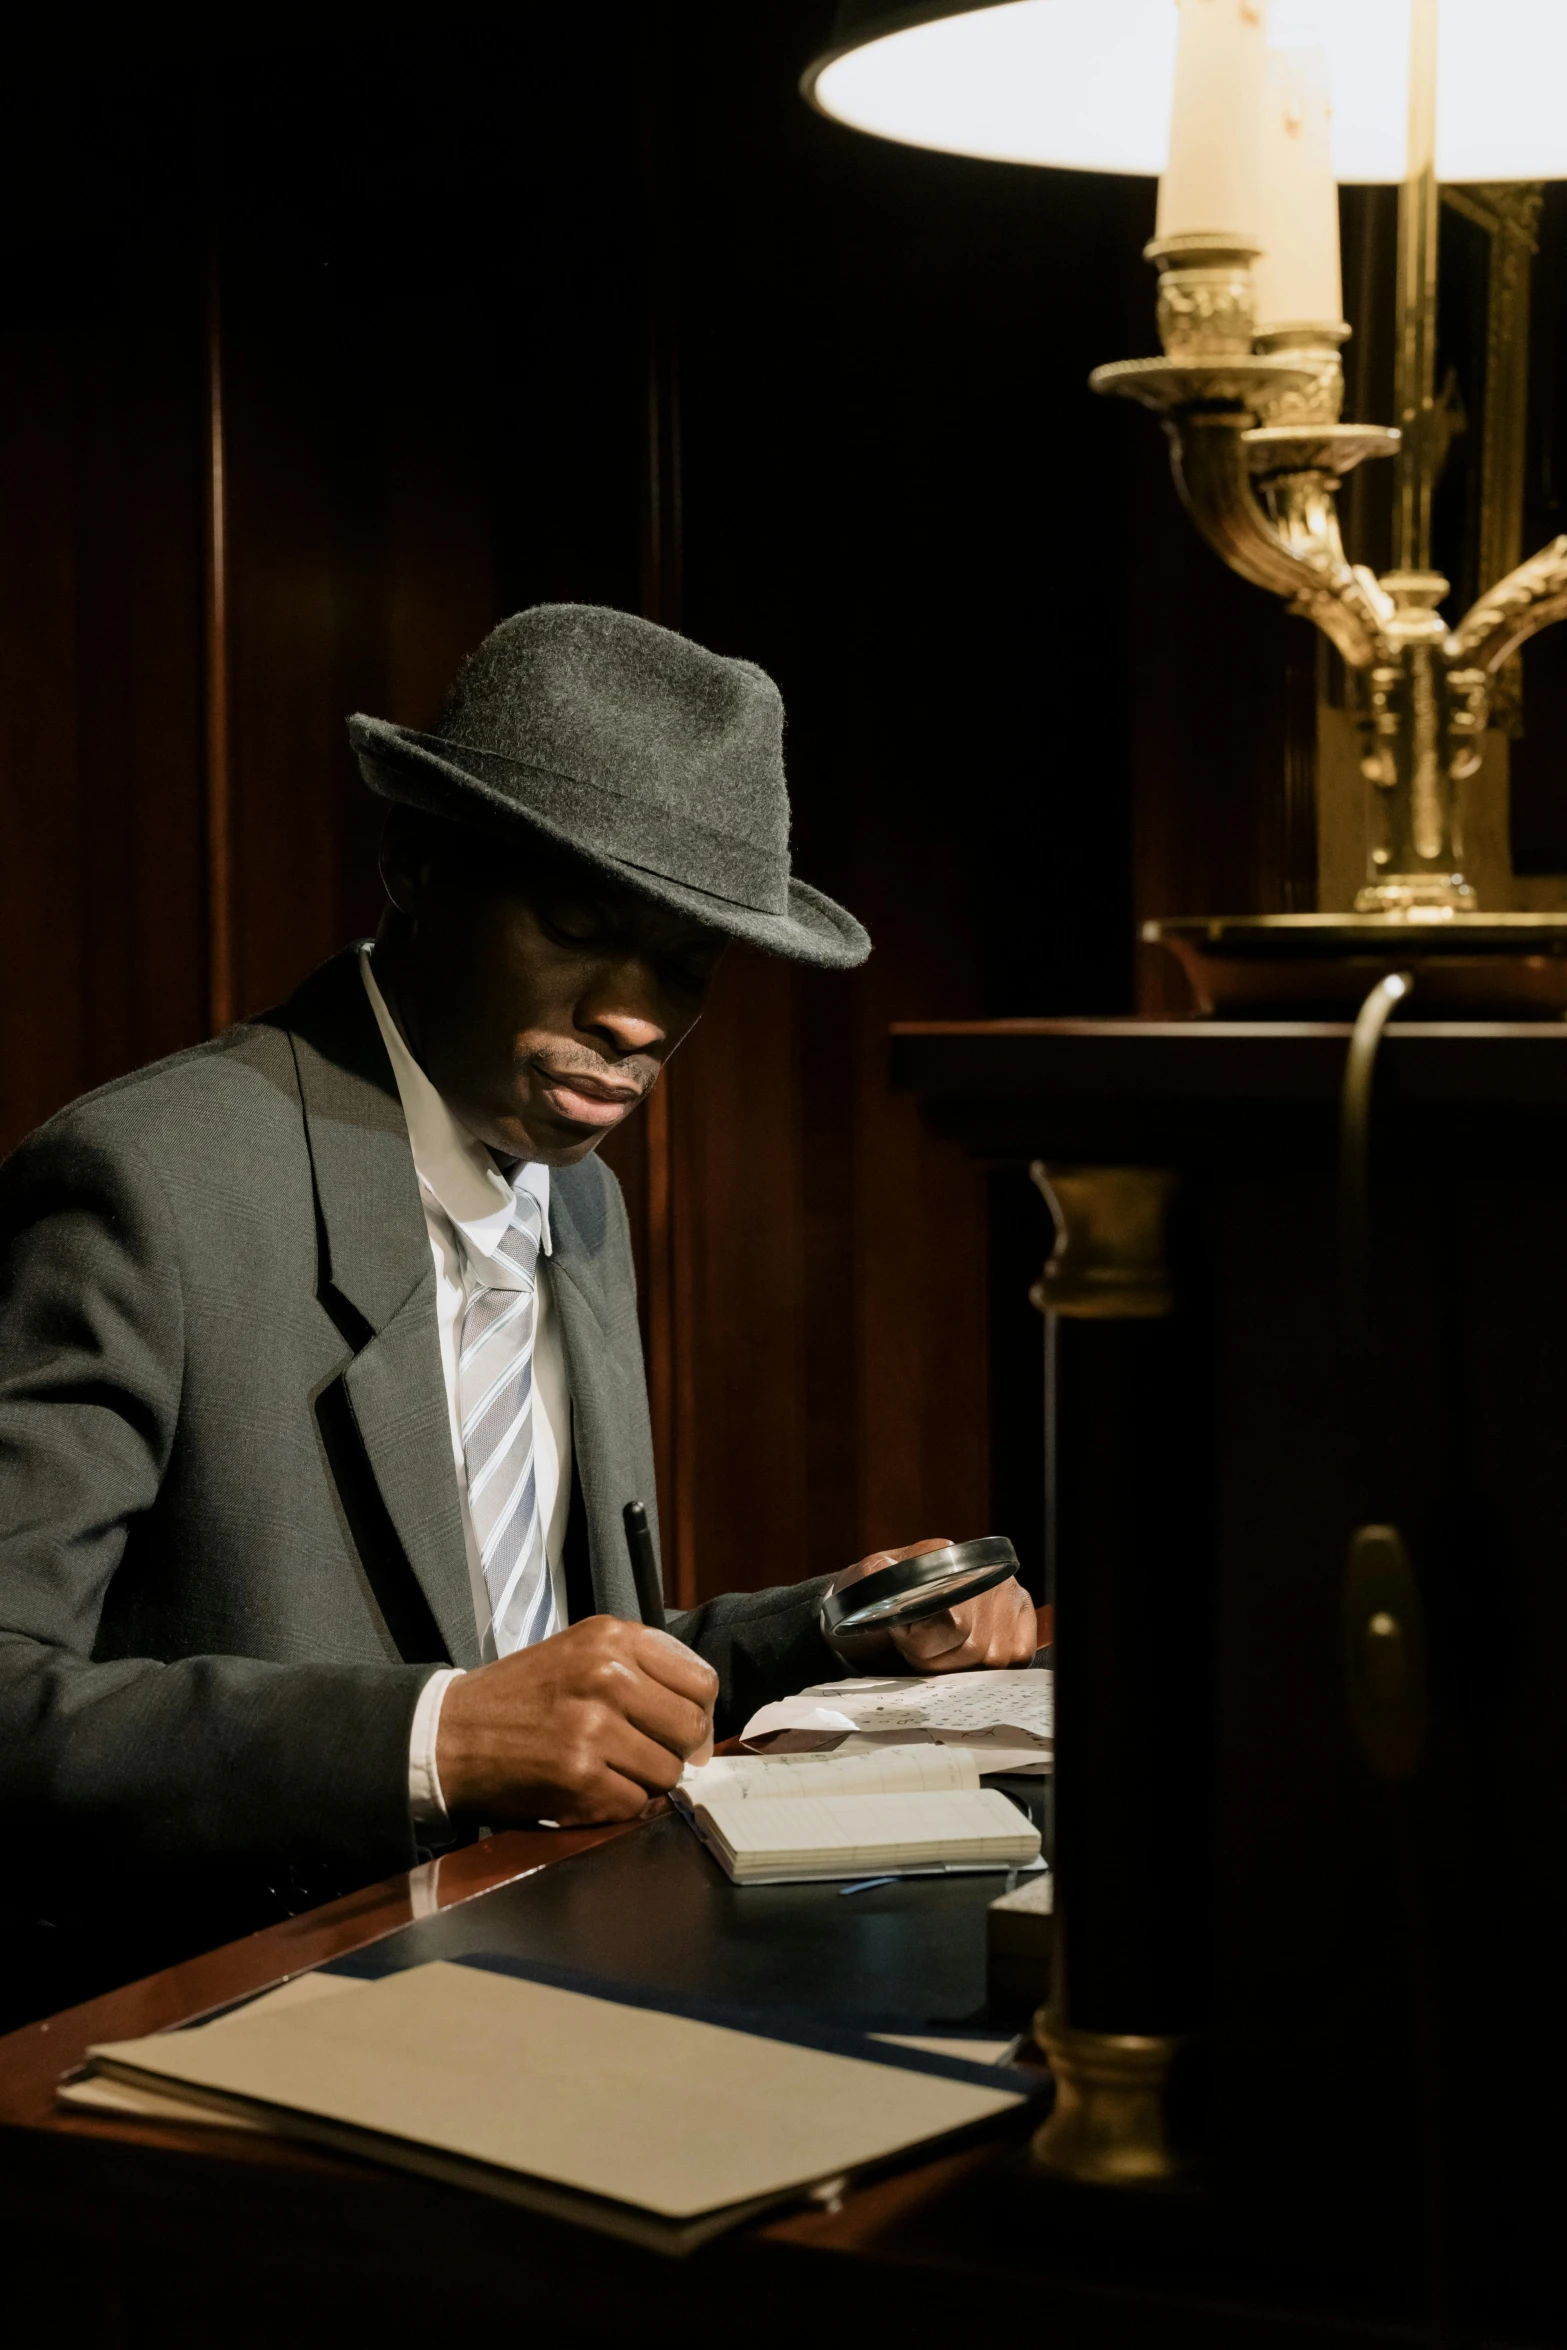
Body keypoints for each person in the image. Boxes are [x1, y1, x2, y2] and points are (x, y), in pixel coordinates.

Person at [0, 604, 1035, 2008]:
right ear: (413, 866)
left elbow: (546, 1668)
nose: (637, 1017)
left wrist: (834, 1626)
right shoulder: (150, 1183)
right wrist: (429, 1737)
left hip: (554, 1963)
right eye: (579, 927)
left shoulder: (577, 1195)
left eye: (687, 962)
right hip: (223, 2011)